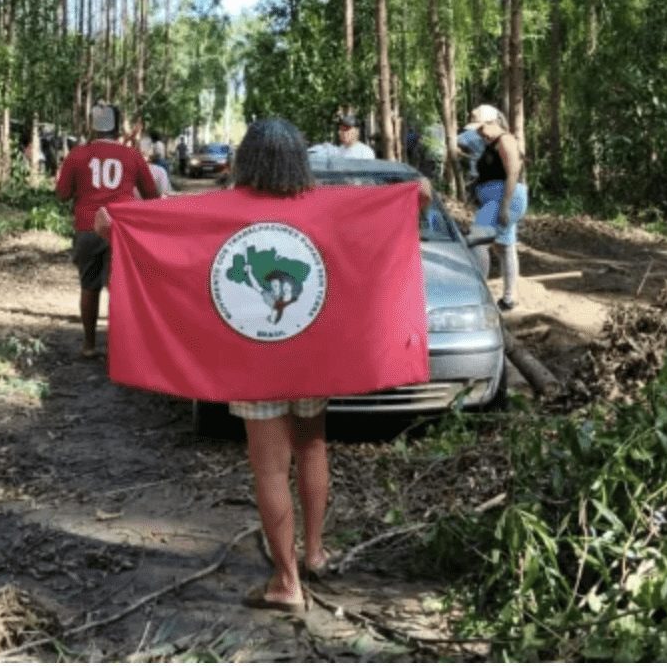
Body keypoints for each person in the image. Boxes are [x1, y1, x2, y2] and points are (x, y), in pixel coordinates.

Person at [95, 118, 431, 613]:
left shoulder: (216, 210)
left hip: (253, 361)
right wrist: (407, 196)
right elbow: (420, 193)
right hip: (310, 357)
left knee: (270, 470)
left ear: (247, 161)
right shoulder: (328, 208)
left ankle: (286, 581)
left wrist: (116, 224)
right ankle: (314, 552)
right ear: (300, 161)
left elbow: (112, 222)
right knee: (313, 447)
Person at [55, 102, 157, 358]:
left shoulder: (78, 154)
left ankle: (89, 345)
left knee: (89, 286)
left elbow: (62, 194)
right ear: (118, 126)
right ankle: (120, 348)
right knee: (120, 288)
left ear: (93, 126)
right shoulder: (131, 156)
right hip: (121, 229)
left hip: (88, 227)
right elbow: (151, 195)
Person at [465, 104, 528, 311]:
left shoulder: (506, 140)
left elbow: (513, 173)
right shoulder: (491, 144)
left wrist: (504, 206)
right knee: (504, 246)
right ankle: (509, 298)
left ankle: (477, 293)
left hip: (502, 199)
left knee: (477, 241)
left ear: (492, 123)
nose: (480, 133)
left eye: (482, 128)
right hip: (495, 200)